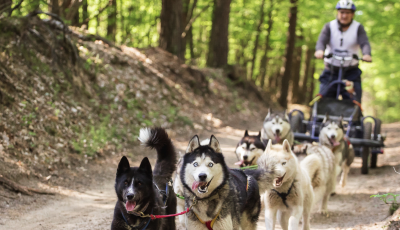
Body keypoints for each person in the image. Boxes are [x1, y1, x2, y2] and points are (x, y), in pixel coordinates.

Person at [315, 0, 371, 103]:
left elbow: (364, 43)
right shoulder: (329, 26)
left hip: (351, 71)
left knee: (355, 100)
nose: (344, 16)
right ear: (337, 13)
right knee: (323, 99)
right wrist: (319, 50)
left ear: (353, 14)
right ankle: (317, 118)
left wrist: (366, 54)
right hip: (331, 70)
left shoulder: (358, 28)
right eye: (342, 12)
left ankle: (356, 118)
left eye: (347, 12)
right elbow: (322, 41)